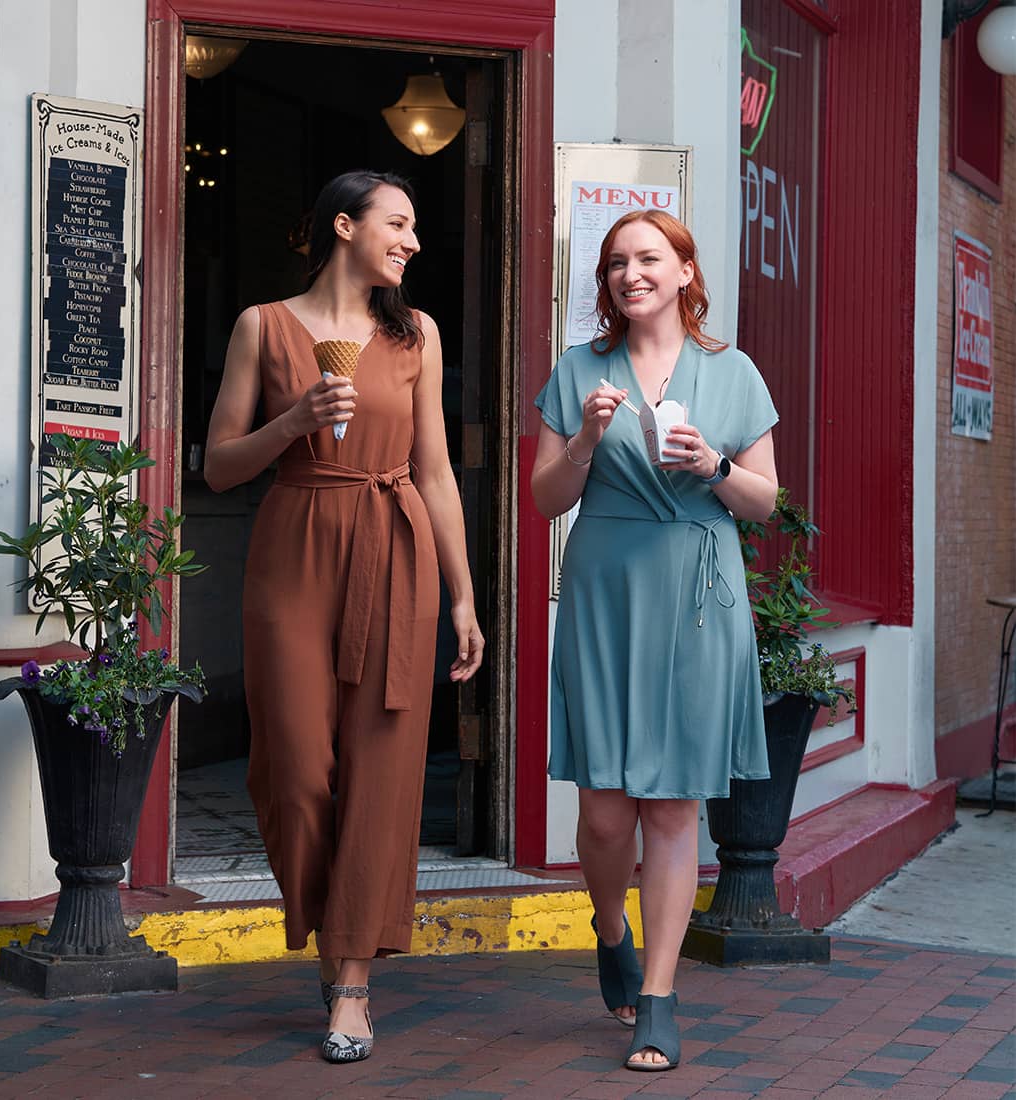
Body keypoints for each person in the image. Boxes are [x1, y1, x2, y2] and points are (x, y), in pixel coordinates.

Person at [204, 170, 484, 1065]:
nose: (410, 240)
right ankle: (330, 926)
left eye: (413, 229)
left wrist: (463, 594)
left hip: (396, 548)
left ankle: (352, 979)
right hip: (294, 550)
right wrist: (292, 422)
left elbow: (435, 471)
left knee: (384, 767)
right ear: (343, 226)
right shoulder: (263, 325)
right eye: (396, 224)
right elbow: (217, 468)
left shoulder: (418, 336)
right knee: (296, 770)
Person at [531, 209, 778, 1072]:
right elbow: (543, 500)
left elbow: (764, 503)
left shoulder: (732, 371)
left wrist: (713, 466)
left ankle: (660, 998)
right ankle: (610, 927)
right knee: (603, 811)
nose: (629, 274)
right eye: (613, 264)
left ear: (683, 271)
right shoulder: (579, 370)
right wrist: (592, 438)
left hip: (701, 599)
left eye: (647, 259)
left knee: (672, 807)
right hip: (606, 593)